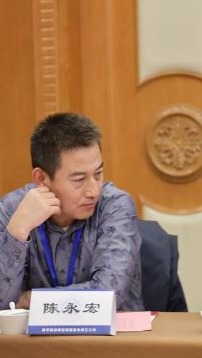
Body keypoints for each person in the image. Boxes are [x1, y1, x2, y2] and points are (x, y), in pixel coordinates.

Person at [0, 113, 144, 311]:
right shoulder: (11, 210)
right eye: (79, 180)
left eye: (98, 174)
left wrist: (30, 299)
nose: (93, 191)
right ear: (41, 179)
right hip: (32, 333)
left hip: (112, 331)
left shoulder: (115, 206)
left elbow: (109, 295)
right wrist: (17, 232)